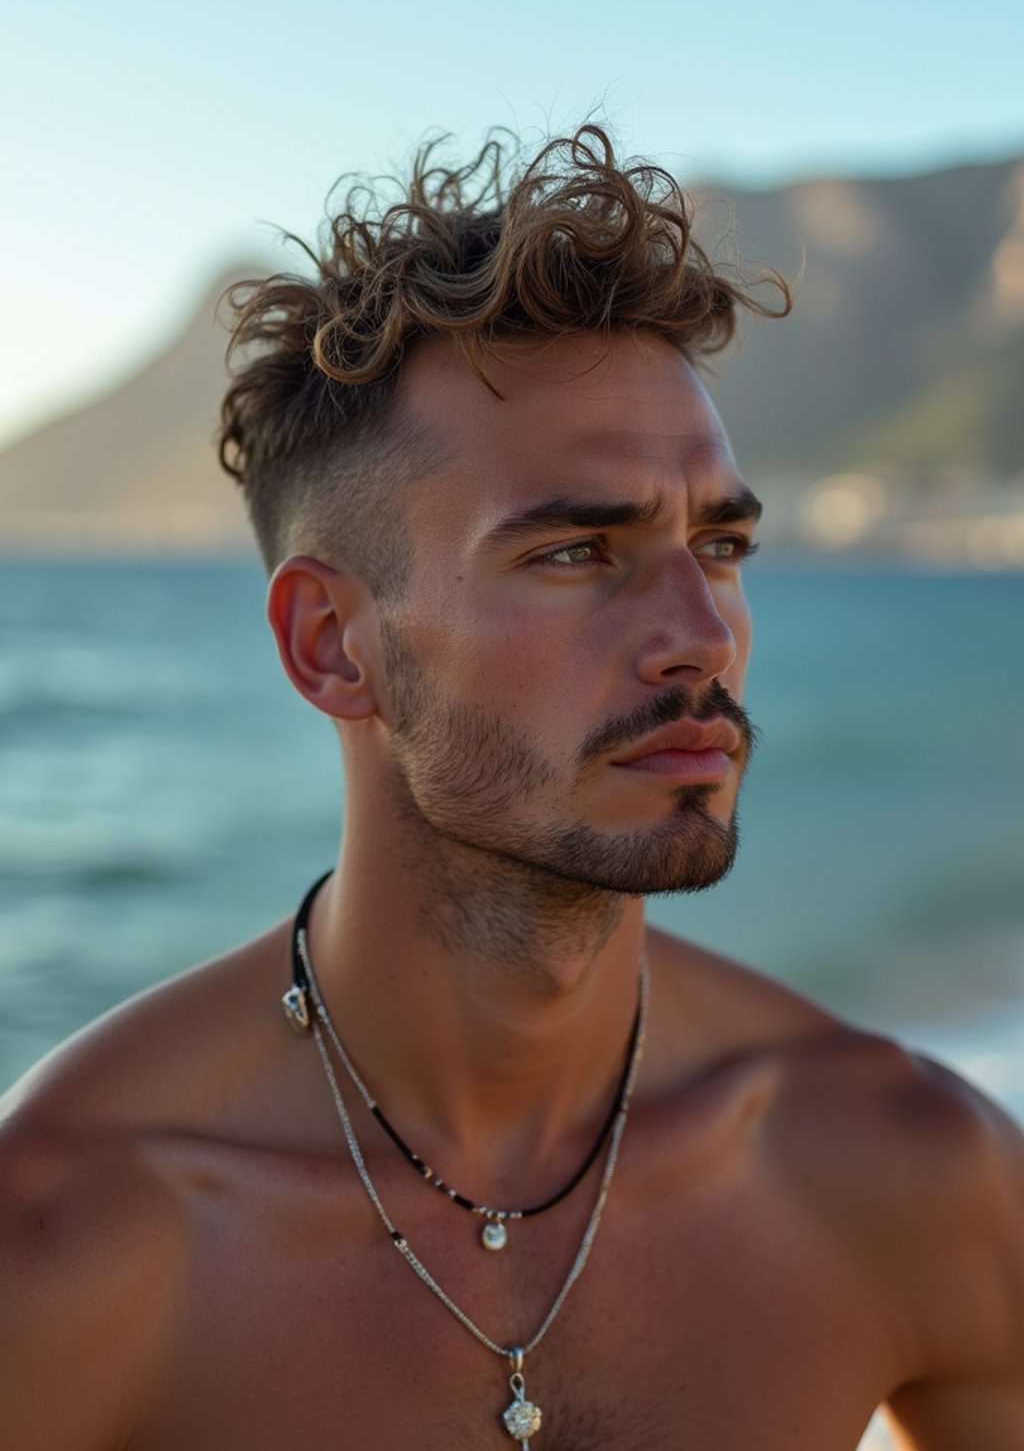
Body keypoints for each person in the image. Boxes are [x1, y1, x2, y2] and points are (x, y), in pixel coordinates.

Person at [1, 126, 1022, 1451]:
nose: (702, 635)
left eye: (719, 544)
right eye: (577, 552)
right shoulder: (70, 1249)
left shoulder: (903, 1172)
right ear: (333, 645)